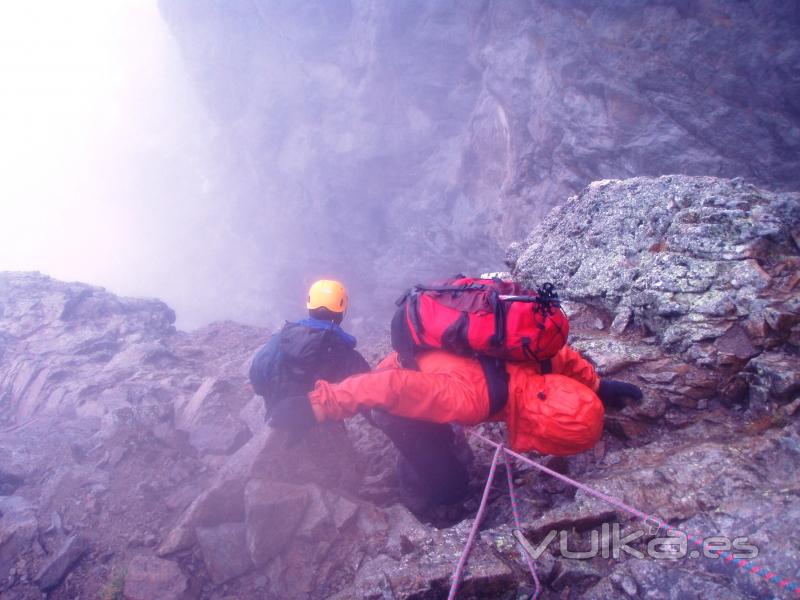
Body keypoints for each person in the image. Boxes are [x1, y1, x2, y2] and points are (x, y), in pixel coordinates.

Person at [267, 343, 642, 508]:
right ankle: (415, 488)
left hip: (435, 371)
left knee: (441, 432)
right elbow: (388, 386)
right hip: (403, 385)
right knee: (450, 487)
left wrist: (596, 388)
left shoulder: (541, 366)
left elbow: (563, 356)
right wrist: (318, 405)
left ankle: (437, 449)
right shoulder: (468, 400)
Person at [248, 279, 370, 415]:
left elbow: (257, 377)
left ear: (309, 306)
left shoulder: (281, 338)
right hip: (320, 423)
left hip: (277, 417)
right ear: (341, 311)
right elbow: (368, 393)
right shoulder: (347, 355)